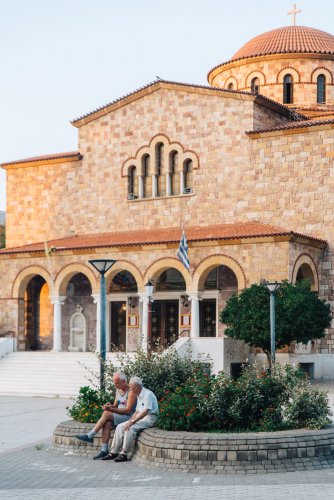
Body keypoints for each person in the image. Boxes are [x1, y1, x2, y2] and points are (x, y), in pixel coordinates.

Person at [75, 371, 136, 459]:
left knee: (107, 413)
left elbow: (127, 410)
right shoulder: (118, 390)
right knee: (107, 424)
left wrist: (110, 410)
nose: (115, 385)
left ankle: (90, 435)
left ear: (124, 381)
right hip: (120, 416)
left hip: (128, 417)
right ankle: (104, 450)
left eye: (117, 383)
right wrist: (109, 406)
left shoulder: (130, 392)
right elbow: (115, 405)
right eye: (114, 383)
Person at [102, 376, 159, 462]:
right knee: (120, 426)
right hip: (141, 416)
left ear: (136, 387)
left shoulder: (148, 394)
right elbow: (137, 412)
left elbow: (144, 412)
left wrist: (132, 422)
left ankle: (123, 453)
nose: (130, 389)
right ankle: (113, 452)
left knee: (130, 428)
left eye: (131, 387)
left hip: (150, 417)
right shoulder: (138, 395)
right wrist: (129, 421)